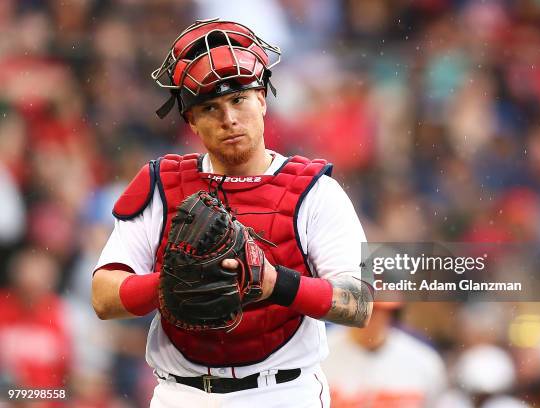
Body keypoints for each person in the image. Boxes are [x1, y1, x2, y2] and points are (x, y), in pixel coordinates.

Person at [91, 18, 372, 408]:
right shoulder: (161, 184)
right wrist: (168, 285)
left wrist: (277, 283)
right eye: (210, 107)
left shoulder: (315, 190)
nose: (229, 119)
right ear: (191, 120)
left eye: (238, 99)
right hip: (182, 393)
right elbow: (103, 297)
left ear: (262, 99)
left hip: (284, 392)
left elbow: (360, 303)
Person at [323, 303, 446, 408]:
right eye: (362, 308)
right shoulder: (319, 353)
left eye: (377, 310)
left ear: (391, 313)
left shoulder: (423, 360)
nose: (369, 317)